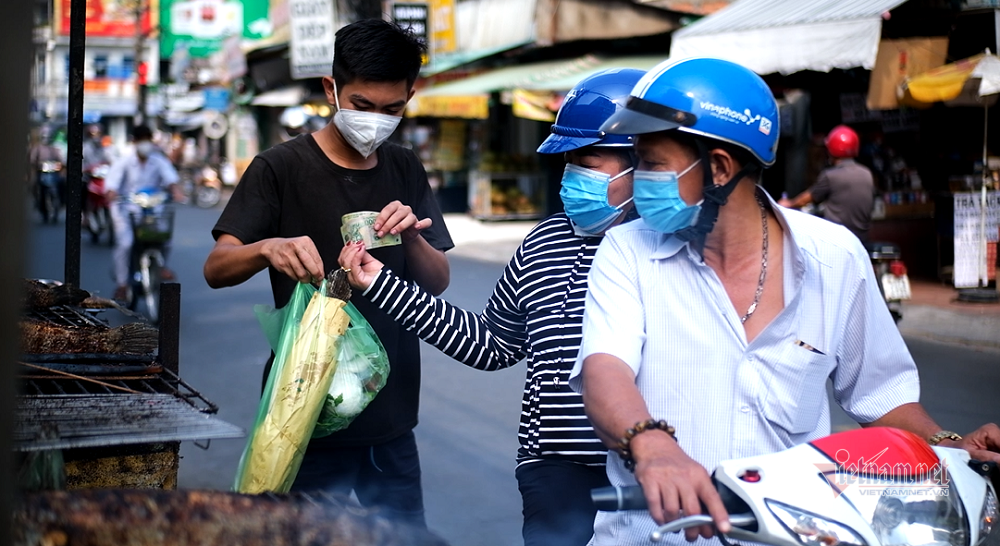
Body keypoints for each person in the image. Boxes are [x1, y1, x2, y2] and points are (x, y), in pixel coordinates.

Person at [568, 57, 1000, 546]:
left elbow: (882, 399)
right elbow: (605, 372)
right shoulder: (627, 250)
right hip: (652, 536)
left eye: (651, 163)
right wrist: (650, 444)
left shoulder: (835, 259)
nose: (637, 177)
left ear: (718, 167)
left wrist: (950, 445)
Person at [339, 68, 645, 546]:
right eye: (569, 162)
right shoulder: (546, 240)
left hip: (650, 470)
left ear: (644, 162)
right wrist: (382, 283)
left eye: (590, 160)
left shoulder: (675, 249)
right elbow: (491, 344)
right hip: (554, 473)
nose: (573, 175)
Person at [203, 19, 452, 529]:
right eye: (362, 105)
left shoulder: (404, 167)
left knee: (407, 540)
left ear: (410, 95)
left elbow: (438, 280)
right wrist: (266, 248)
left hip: (392, 417)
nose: (376, 121)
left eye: (393, 109)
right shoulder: (279, 168)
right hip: (305, 414)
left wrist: (411, 236)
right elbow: (216, 268)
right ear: (331, 89)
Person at [105, 124, 181, 301]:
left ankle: (162, 267)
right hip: (127, 210)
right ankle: (122, 284)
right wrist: (112, 193)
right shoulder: (124, 162)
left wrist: (176, 191)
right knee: (126, 243)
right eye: (142, 140)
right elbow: (112, 185)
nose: (145, 144)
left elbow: (171, 180)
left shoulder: (159, 161)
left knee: (165, 239)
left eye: (148, 140)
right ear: (135, 142)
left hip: (153, 211)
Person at [778, 125, 875, 243]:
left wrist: (789, 204)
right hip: (862, 239)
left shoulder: (830, 175)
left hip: (838, 240)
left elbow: (806, 199)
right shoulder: (866, 173)